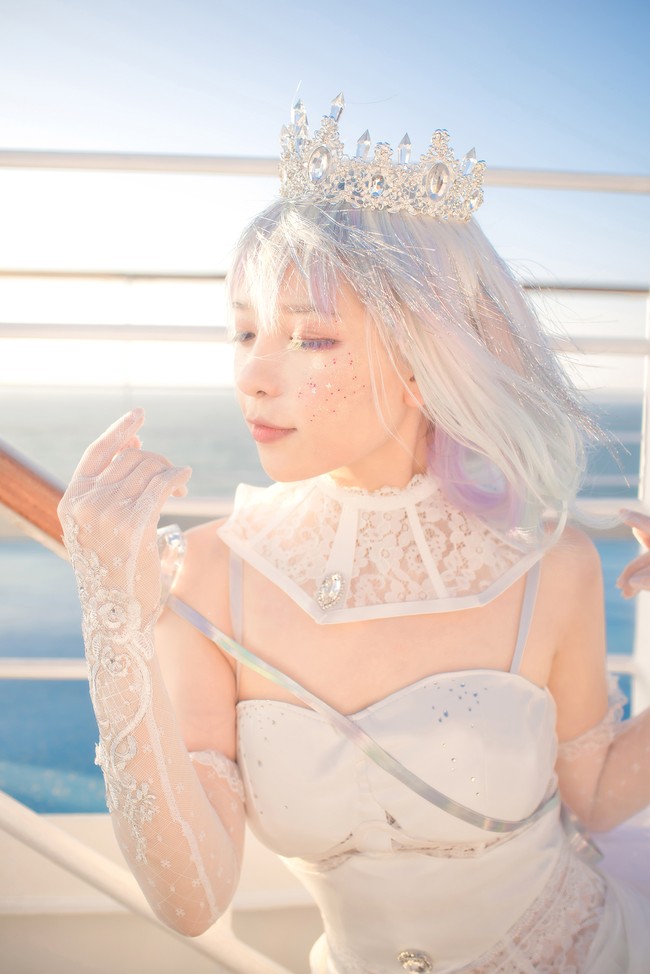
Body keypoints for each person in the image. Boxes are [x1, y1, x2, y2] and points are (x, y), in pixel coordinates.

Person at [57, 94, 650, 973]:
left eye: (312, 340)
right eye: (245, 331)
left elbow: (596, 795)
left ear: (424, 358)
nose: (254, 375)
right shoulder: (211, 574)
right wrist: (113, 625)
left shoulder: (549, 563)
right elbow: (192, 900)